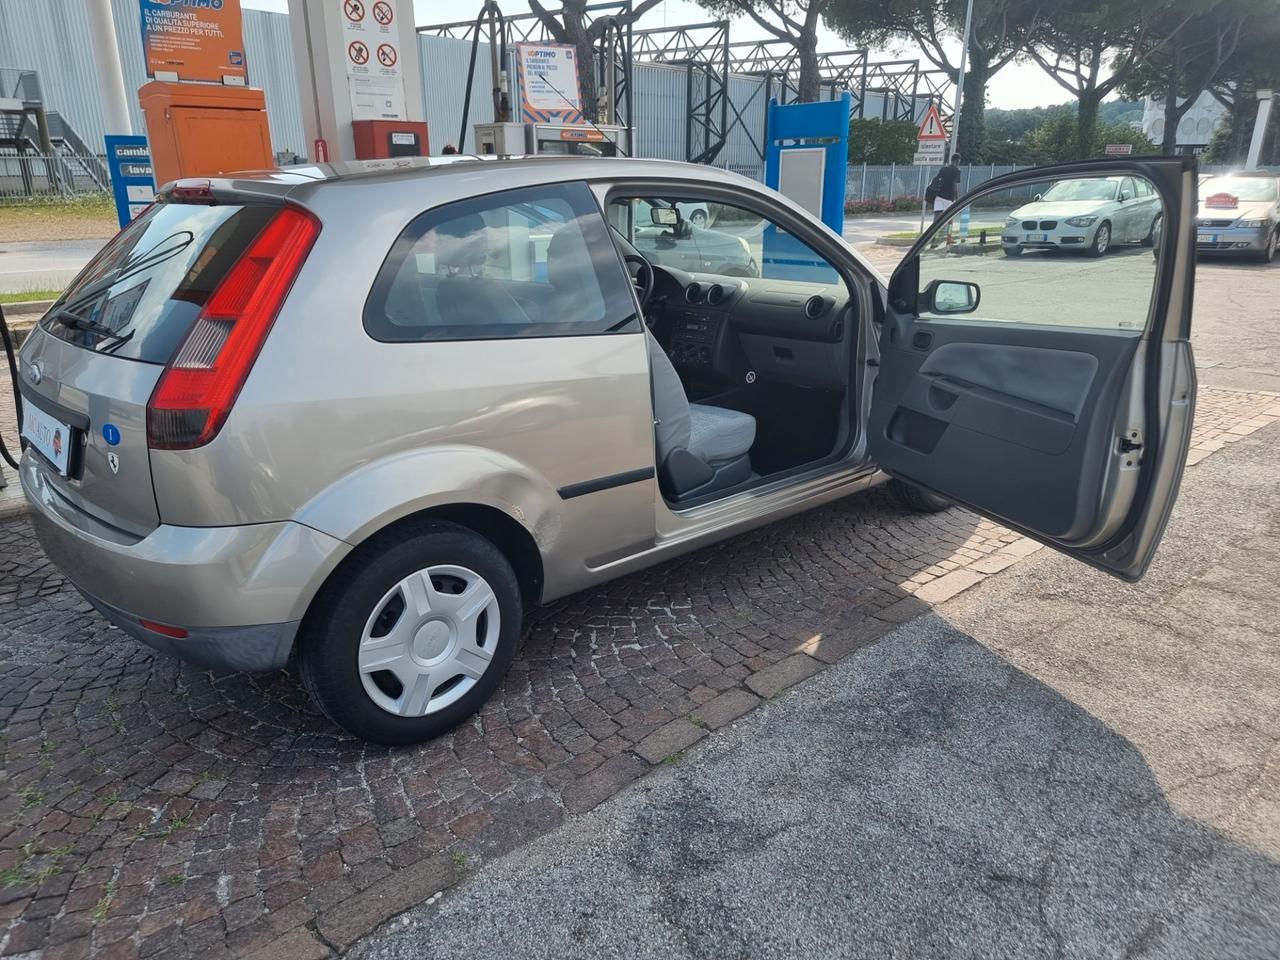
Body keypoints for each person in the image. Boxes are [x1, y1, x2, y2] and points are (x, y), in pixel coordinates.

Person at [932, 153, 962, 223]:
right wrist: (957, 198)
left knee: (936, 217)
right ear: (958, 161)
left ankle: (933, 232)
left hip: (938, 197)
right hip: (949, 198)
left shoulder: (943, 169)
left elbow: (937, 181)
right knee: (949, 218)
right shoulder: (957, 171)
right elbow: (955, 185)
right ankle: (948, 233)